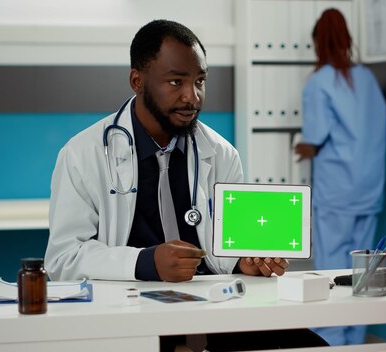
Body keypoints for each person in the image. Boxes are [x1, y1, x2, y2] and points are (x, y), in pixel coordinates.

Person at [45, 19, 327, 352]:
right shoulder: (84, 154)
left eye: (200, 81)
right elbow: (63, 258)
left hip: (212, 308)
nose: (192, 96)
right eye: (176, 81)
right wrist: (146, 262)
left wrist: (242, 261)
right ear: (138, 81)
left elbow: (226, 245)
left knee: (309, 346)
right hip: (130, 313)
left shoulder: (220, 153)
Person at [294, 8, 386, 346]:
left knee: (332, 271)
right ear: (348, 40)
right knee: (365, 270)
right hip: (369, 189)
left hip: (336, 192)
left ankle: (331, 340)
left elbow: (315, 137)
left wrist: (300, 147)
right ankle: (356, 338)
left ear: (318, 42)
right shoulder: (367, 80)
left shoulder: (319, 82)